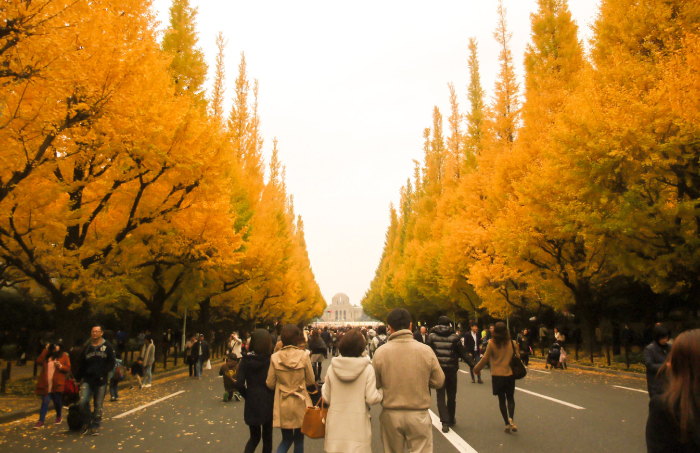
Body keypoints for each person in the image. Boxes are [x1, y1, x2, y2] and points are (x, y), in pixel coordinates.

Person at [372, 308, 445, 453]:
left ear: (389, 327)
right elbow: (438, 381)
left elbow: (375, 383)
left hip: (391, 413)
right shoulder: (425, 350)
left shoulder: (381, 352)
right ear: (410, 326)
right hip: (419, 413)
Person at [323, 329, 383, 452]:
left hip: (336, 424)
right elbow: (372, 398)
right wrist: (382, 391)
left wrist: (324, 386)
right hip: (358, 424)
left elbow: (326, 397)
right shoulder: (367, 369)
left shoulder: (332, 368)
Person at [645, 329, 700, 452]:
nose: (669, 363)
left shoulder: (665, 408)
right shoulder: (650, 349)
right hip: (658, 383)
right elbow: (649, 364)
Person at [266, 324, 315, 453]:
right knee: (299, 439)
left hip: (283, 400)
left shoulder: (275, 357)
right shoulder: (304, 355)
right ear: (297, 338)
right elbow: (311, 380)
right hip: (300, 400)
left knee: (286, 439)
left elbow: (270, 383)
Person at [427, 316, 475, 433]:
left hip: (437, 370)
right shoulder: (454, 337)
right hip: (451, 369)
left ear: (438, 324)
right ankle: (451, 418)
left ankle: (444, 422)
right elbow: (463, 353)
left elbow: (427, 353)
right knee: (452, 395)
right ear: (449, 324)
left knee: (440, 395)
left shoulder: (431, 337)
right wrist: (473, 365)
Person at [473, 322, 520, 434]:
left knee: (501, 400)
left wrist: (476, 369)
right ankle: (511, 418)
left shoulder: (492, 344)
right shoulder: (512, 343)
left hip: (497, 375)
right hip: (509, 374)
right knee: (510, 397)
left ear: (494, 332)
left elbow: (485, 359)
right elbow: (517, 357)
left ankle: (506, 423)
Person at [238, 329, 275, 453]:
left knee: (254, 437)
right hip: (269, 399)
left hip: (252, 400)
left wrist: (247, 395)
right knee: (267, 437)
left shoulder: (246, 360)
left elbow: (239, 384)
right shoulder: (271, 360)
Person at [76, 325, 116, 436]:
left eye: (97, 332)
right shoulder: (87, 348)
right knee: (83, 402)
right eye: (93, 331)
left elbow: (111, 362)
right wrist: (78, 378)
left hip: (101, 380)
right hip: (88, 379)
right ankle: (87, 422)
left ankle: (96, 425)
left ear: (101, 333)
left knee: (98, 404)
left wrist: (104, 373)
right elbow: (82, 364)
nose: (94, 334)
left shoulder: (107, 347)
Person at [33, 343, 71, 428]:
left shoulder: (63, 355)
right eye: (53, 347)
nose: (54, 348)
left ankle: (59, 415)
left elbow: (68, 368)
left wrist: (60, 366)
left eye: (56, 346)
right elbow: (39, 361)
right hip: (46, 383)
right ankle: (41, 421)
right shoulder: (47, 355)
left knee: (57, 401)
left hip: (57, 384)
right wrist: (45, 349)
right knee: (45, 401)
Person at [645, 324, 671, 398]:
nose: (665, 340)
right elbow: (649, 365)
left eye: (666, 337)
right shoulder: (650, 349)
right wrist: (665, 366)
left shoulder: (670, 347)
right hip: (656, 384)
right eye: (663, 338)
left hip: (669, 383)